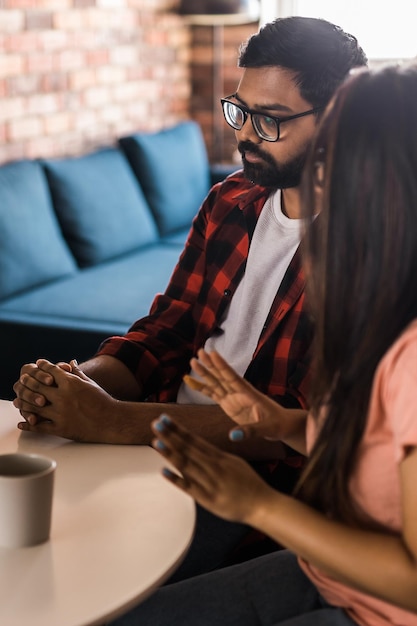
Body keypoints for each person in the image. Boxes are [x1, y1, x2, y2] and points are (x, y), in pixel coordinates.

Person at [13, 17, 367, 579]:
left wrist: (118, 422)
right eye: (240, 110)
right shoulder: (231, 199)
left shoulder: (372, 246)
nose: (246, 133)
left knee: (87, 575)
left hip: (252, 492)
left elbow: (302, 432)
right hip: (146, 445)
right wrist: (82, 384)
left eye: (270, 120)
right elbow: (168, 331)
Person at [108, 61, 417, 625]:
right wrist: (278, 420)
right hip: (325, 569)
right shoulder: (375, 301)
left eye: (332, 161)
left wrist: (259, 504)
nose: (318, 181)